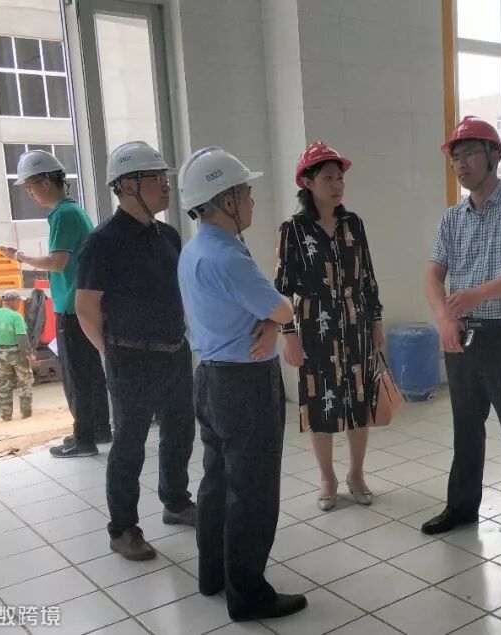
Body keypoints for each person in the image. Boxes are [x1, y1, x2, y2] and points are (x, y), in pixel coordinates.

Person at [178, 146, 307, 621]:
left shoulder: (196, 249)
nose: (252, 202)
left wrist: (270, 321)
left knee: (217, 481)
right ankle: (248, 594)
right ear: (227, 199)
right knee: (253, 490)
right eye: (247, 194)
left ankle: (214, 574)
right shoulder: (229, 258)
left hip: (210, 378)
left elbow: (266, 312)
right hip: (244, 384)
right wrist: (275, 319)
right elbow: (283, 308)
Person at [421, 116, 501, 555]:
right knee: (465, 426)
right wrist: (444, 318)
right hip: (462, 337)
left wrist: (479, 294)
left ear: (494, 155)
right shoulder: (451, 219)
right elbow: (433, 275)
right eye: (455, 157)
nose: (460, 164)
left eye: (469, 154)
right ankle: (462, 508)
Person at [74, 141, 196, 560]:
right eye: (156, 178)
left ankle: (176, 502)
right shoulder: (102, 242)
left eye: (165, 178)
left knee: (180, 432)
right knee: (130, 444)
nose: (166, 186)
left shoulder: (168, 235)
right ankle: (123, 528)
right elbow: (86, 308)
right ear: (127, 185)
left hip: (174, 351)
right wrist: (110, 353)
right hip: (129, 358)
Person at [276, 141, 384, 511]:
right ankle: (327, 477)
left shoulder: (354, 224)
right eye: (328, 178)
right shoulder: (292, 230)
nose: (337, 185)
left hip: (355, 323)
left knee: (358, 400)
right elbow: (282, 287)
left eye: (340, 178)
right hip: (313, 326)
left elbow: (367, 277)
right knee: (319, 404)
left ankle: (356, 474)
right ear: (307, 183)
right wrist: (288, 335)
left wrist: (376, 321)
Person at [0, 150, 110, 457]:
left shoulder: (64, 215)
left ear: (46, 182)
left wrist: (20, 257)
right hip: (80, 305)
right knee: (90, 372)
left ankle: (83, 438)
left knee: (76, 376)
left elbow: (57, 262)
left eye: (30, 186)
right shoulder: (73, 211)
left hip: (71, 308)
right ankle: (100, 429)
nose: (29, 193)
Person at [0, 290, 36, 421]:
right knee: (24, 382)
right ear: (15, 301)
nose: (20, 304)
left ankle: (6, 416)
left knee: (4, 384)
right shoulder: (16, 316)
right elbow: (21, 338)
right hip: (16, 352)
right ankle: (26, 414)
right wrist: (29, 354)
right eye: (19, 301)